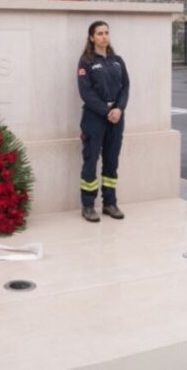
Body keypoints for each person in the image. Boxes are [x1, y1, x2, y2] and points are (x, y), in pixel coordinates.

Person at [76, 21, 130, 222]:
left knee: (111, 161)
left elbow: (125, 87)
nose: (104, 36)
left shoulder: (117, 60)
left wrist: (119, 109)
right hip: (94, 118)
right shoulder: (86, 62)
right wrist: (107, 111)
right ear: (92, 38)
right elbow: (86, 93)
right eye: (99, 33)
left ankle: (110, 203)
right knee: (91, 160)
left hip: (116, 118)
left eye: (106, 32)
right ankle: (88, 205)